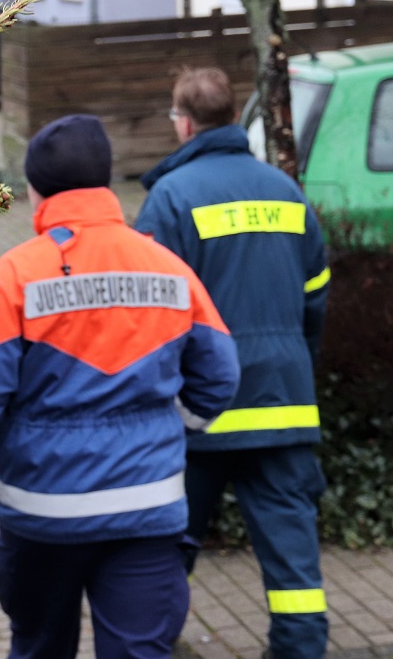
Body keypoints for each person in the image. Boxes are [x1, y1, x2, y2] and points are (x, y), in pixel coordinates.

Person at [0, 114, 240, 659]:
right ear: (105, 181)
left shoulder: (12, 276)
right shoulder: (168, 267)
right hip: (146, 510)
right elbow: (220, 375)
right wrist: (168, 424)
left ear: (35, 190)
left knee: (39, 648)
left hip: (42, 513)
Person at [134, 68, 332, 659]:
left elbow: (150, 313)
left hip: (201, 415)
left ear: (186, 122)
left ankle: (148, 643)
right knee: (293, 558)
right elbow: (316, 293)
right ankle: (300, 650)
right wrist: (298, 363)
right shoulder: (285, 191)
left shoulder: (170, 198)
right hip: (282, 401)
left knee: (168, 547)